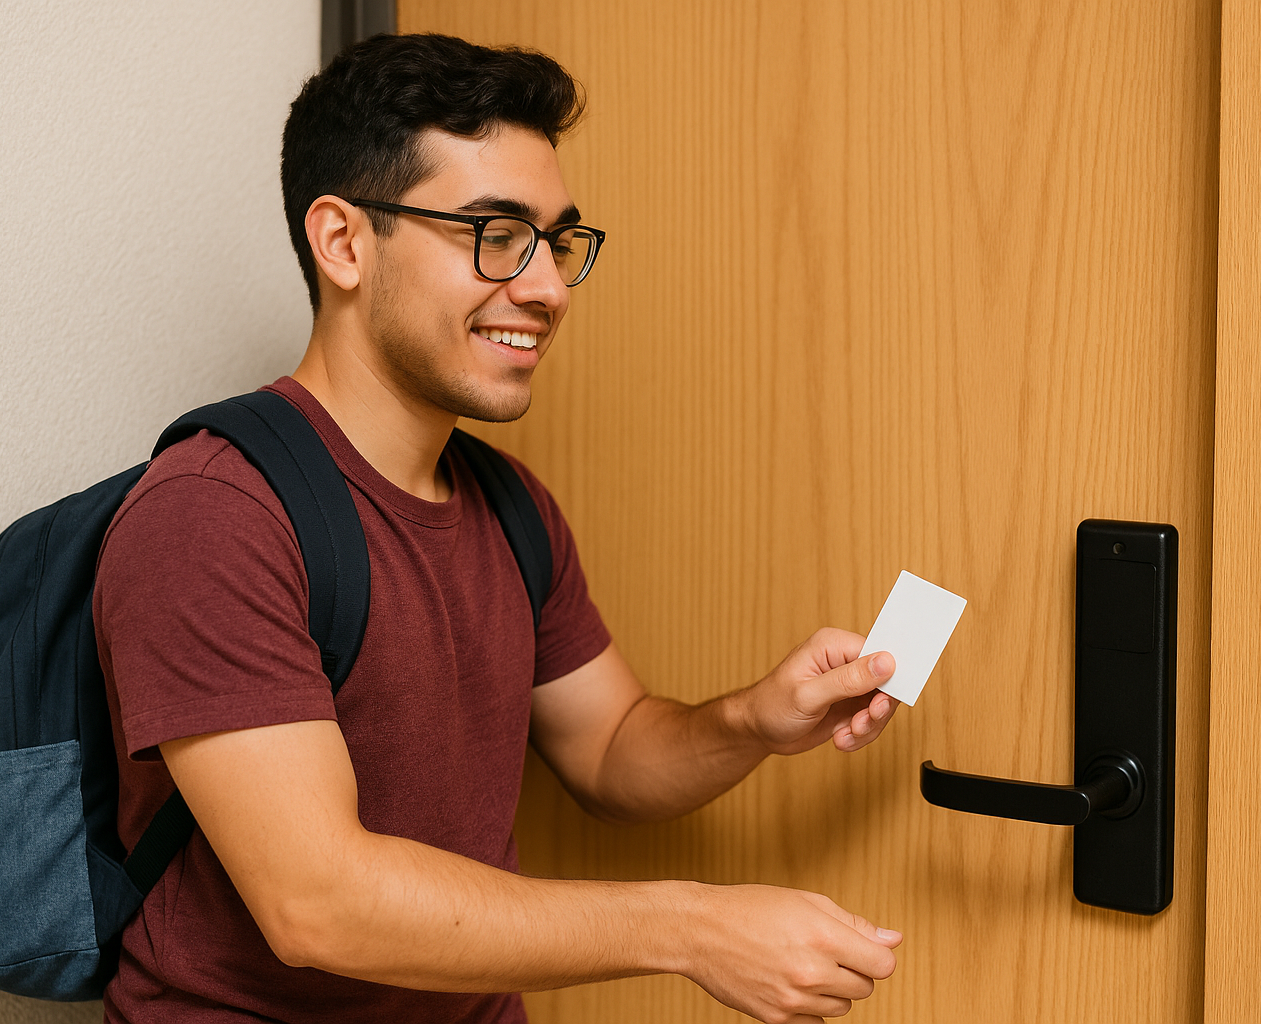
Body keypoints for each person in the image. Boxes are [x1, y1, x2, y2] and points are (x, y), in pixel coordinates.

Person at [94, 32, 903, 1024]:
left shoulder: (511, 508)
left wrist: (754, 721)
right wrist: (692, 925)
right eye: (494, 232)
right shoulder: (213, 514)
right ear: (344, 242)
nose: (548, 288)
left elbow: (608, 750)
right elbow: (317, 904)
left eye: (555, 241)